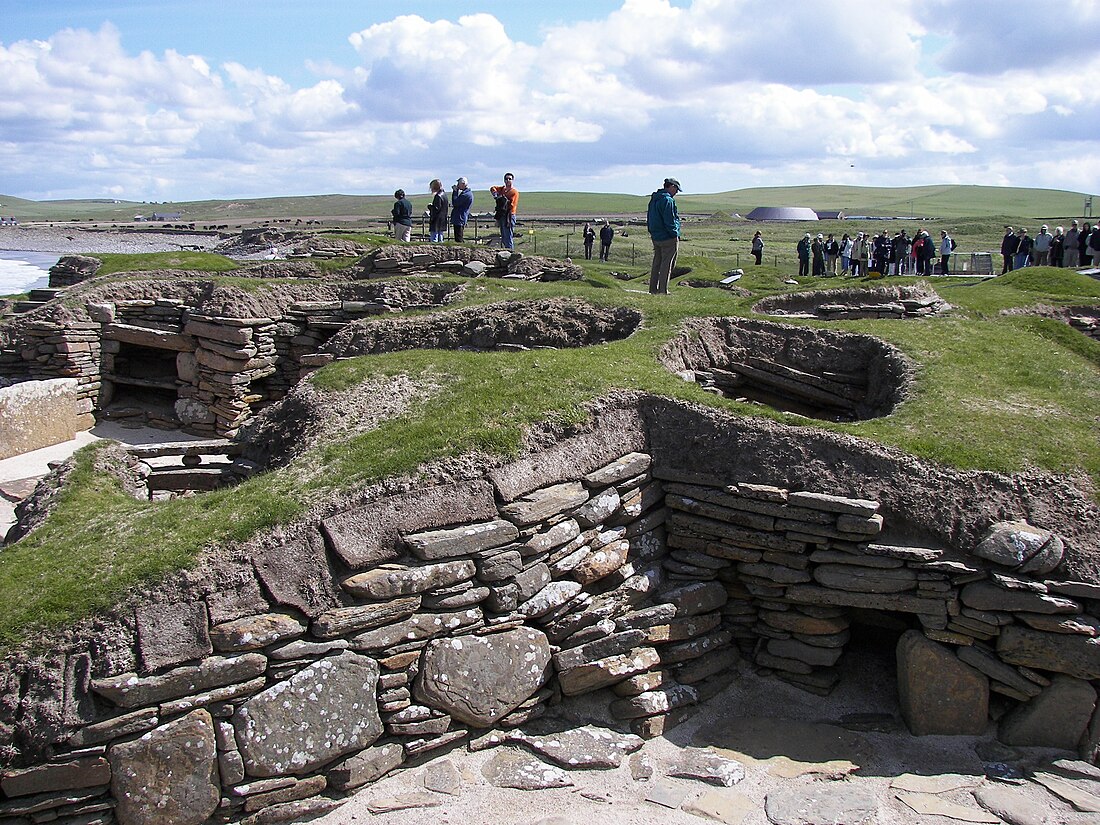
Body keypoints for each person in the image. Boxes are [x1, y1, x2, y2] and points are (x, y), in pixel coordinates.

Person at [646, 177, 682, 294]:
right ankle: (663, 290)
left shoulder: (654, 199)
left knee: (657, 263)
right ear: (671, 187)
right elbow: (670, 220)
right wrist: (675, 233)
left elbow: (650, 218)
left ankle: (653, 289)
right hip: (668, 237)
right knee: (667, 264)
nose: (676, 192)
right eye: (676, 189)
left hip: (656, 236)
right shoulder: (667, 200)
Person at [490, 172, 519, 249]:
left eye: (509, 179)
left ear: (512, 180)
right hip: (502, 215)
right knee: (503, 235)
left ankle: (510, 252)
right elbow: (493, 188)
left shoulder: (514, 192)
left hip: (509, 215)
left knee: (508, 236)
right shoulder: (502, 189)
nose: (507, 180)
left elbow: (511, 205)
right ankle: (505, 251)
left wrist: (503, 201)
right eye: (506, 179)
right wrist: (495, 194)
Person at [450, 177, 473, 243]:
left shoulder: (466, 194)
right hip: (460, 217)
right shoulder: (467, 193)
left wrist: (455, 192)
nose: (457, 185)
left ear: (463, 184)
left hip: (460, 217)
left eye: (458, 183)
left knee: (458, 238)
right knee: (459, 236)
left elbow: (455, 203)